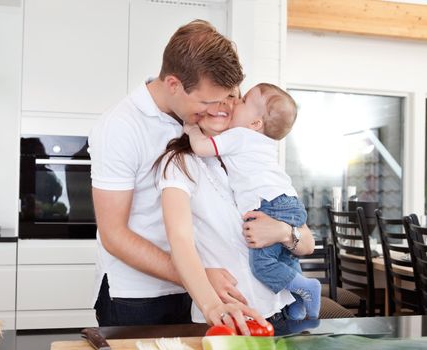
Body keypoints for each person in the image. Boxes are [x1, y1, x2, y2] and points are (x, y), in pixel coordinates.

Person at [88, 19, 248, 327]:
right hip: (136, 297)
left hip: (199, 290)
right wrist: (199, 276)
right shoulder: (120, 127)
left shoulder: (196, 121)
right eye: (206, 102)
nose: (215, 110)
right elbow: (114, 236)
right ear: (174, 84)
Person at [156, 89, 316, 334]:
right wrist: (208, 295)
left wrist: (282, 232)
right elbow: (179, 240)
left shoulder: (252, 156)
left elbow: (307, 245)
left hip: (282, 307)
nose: (222, 104)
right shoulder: (179, 163)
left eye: (232, 97)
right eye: (210, 97)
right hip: (231, 315)